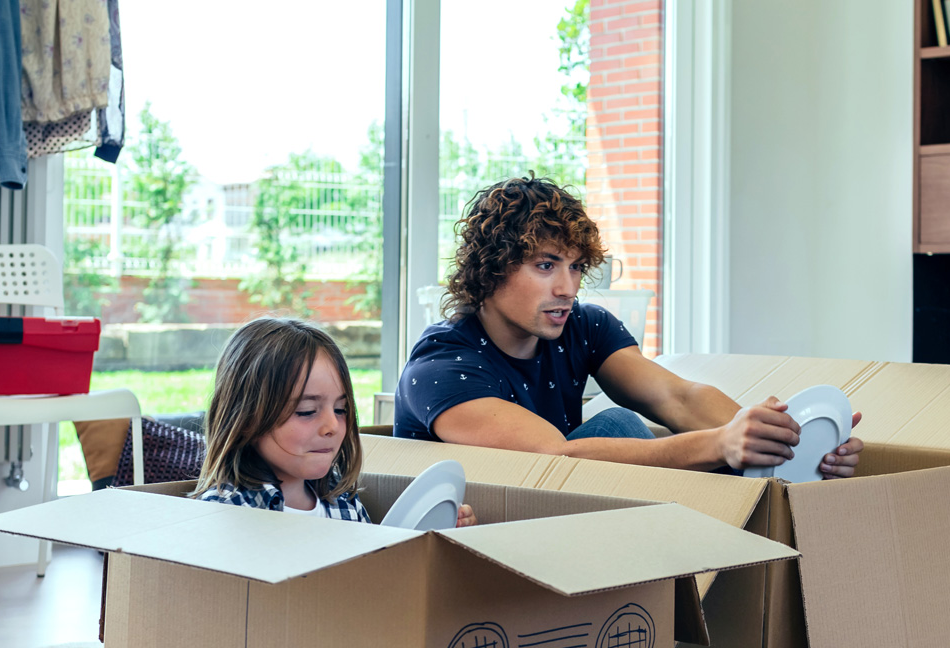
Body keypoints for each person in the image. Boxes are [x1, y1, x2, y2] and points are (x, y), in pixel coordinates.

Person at [394, 176, 863, 477]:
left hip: (561, 516)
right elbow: (556, 458)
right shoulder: (440, 368)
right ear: (491, 268)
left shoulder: (582, 326)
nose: (567, 287)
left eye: (577, 268)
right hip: (478, 538)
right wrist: (721, 444)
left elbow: (676, 397)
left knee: (635, 425)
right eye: (545, 265)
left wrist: (781, 442)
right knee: (619, 425)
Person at [195, 317, 475, 524]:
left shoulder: (344, 503)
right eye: (306, 411)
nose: (332, 426)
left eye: (341, 409)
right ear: (246, 418)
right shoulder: (224, 511)